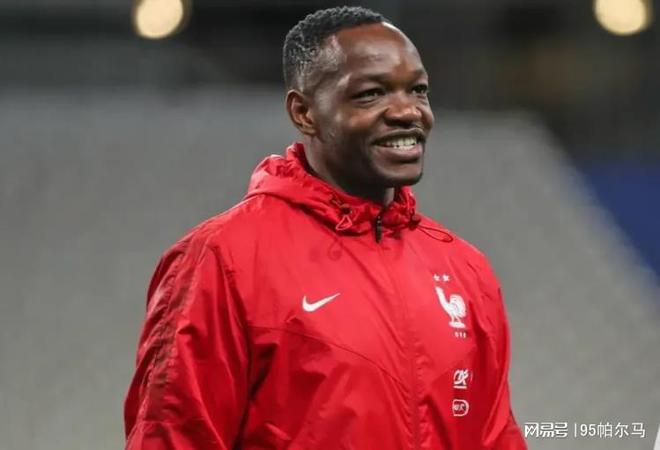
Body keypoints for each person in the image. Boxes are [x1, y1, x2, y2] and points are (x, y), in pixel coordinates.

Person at [124, 6, 526, 449]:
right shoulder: (223, 260)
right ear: (304, 113)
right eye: (371, 94)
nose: (407, 111)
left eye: (418, 90)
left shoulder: (465, 270)